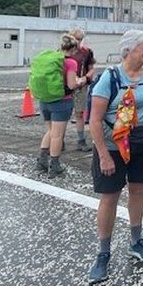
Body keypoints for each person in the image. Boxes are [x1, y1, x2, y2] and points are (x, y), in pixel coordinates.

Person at [87, 30, 143, 284]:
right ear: (129, 50)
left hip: (142, 142)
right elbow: (95, 120)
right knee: (110, 197)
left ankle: (136, 241)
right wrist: (103, 155)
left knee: (138, 191)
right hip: (112, 146)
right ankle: (103, 252)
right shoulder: (109, 78)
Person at [35, 33, 85, 178]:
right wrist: (80, 81)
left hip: (45, 99)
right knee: (57, 136)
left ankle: (42, 162)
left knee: (50, 131)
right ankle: (54, 166)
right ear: (74, 48)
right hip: (61, 102)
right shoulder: (70, 62)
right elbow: (71, 84)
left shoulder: (51, 58)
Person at [68, 27, 96, 152]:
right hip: (66, 86)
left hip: (81, 86)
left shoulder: (87, 52)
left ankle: (81, 140)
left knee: (79, 113)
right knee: (63, 114)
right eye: (76, 39)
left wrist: (86, 77)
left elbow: (91, 68)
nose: (79, 42)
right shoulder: (64, 52)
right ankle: (58, 140)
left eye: (80, 39)